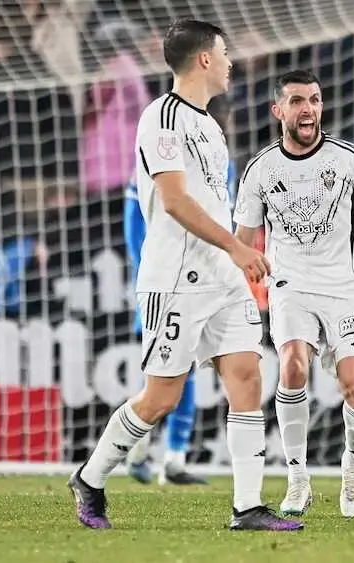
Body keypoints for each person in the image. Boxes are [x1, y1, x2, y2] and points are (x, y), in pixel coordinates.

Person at [67, 19, 302, 532]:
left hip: (222, 275)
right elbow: (173, 201)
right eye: (224, 53)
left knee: (245, 376)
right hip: (175, 279)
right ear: (203, 60)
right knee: (160, 398)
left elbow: (216, 204)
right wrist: (238, 247)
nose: (230, 62)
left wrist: (242, 250)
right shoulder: (161, 119)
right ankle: (91, 477)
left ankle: (247, 507)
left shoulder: (211, 126)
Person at [233, 69, 354, 518]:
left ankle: (353, 464)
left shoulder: (349, 159)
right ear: (278, 110)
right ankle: (297, 475)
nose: (309, 110)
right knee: (293, 364)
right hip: (290, 285)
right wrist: (237, 283)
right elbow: (241, 239)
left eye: (315, 100)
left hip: (345, 287)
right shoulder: (261, 169)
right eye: (298, 101)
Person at [121, 95, 236, 487]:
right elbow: (135, 221)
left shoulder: (226, 165)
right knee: (165, 374)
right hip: (166, 280)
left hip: (208, 281)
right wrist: (148, 269)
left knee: (191, 370)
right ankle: (127, 453)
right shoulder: (164, 157)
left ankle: (172, 458)